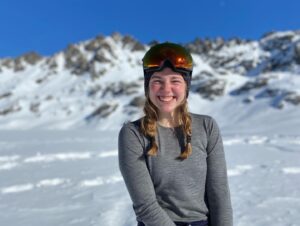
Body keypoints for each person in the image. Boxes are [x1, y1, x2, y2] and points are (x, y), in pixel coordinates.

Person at [118, 42, 233, 226]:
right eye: (157, 81)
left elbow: (219, 193)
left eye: (175, 80)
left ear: (186, 87)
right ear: (148, 86)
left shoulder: (207, 127)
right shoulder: (133, 134)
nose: (166, 89)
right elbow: (146, 206)